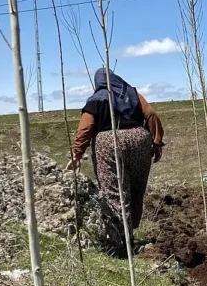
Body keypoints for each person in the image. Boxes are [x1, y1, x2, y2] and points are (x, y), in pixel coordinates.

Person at [70, 68, 165, 255]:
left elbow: (86, 128)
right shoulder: (133, 94)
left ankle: (121, 240)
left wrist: (76, 153)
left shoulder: (96, 100)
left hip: (109, 143)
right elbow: (151, 114)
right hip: (140, 140)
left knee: (115, 192)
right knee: (136, 189)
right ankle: (131, 234)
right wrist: (156, 141)